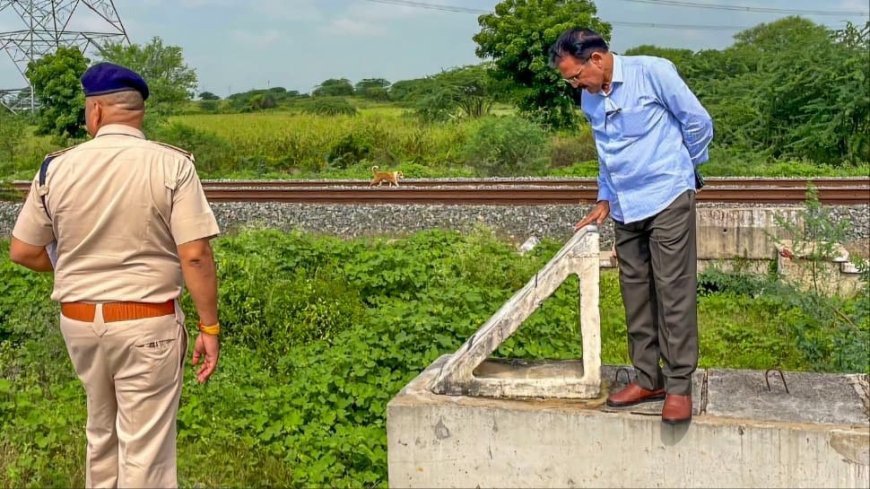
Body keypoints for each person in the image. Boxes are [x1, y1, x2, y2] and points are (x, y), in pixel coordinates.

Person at [9, 62, 221, 487]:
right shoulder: (172, 165)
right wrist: (209, 327)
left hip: (81, 324)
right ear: (138, 112)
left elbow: (24, 251)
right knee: (145, 449)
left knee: (101, 435)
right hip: (147, 325)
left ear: (97, 112)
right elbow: (195, 254)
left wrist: (73, 267)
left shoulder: (56, 168)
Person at [549, 29, 713, 424]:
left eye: (576, 76)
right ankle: (647, 377)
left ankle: (677, 387)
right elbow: (605, 152)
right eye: (569, 80)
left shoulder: (653, 73)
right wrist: (605, 197)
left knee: (673, 292)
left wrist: (683, 169)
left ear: (598, 60)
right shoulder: (590, 98)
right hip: (625, 206)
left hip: (668, 196)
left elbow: (698, 122)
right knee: (635, 292)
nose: (575, 85)